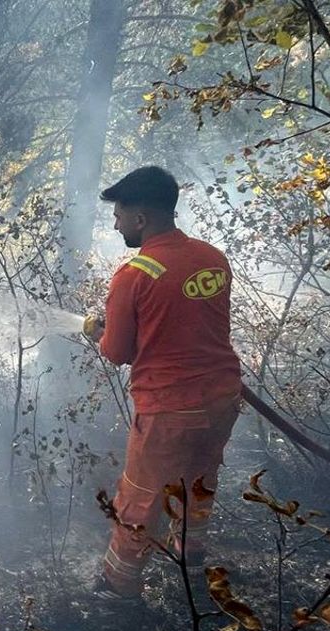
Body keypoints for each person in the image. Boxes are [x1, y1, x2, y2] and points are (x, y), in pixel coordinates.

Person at [82, 166, 242, 601]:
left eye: (118, 214)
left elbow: (117, 353)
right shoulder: (212, 257)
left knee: (140, 498)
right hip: (224, 400)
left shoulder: (133, 276)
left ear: (141, 218)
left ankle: (117, 587)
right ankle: (189, 556)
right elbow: (187, 327)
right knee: (198, 480)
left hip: (169, 411)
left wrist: (99, 332)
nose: (115, 223)